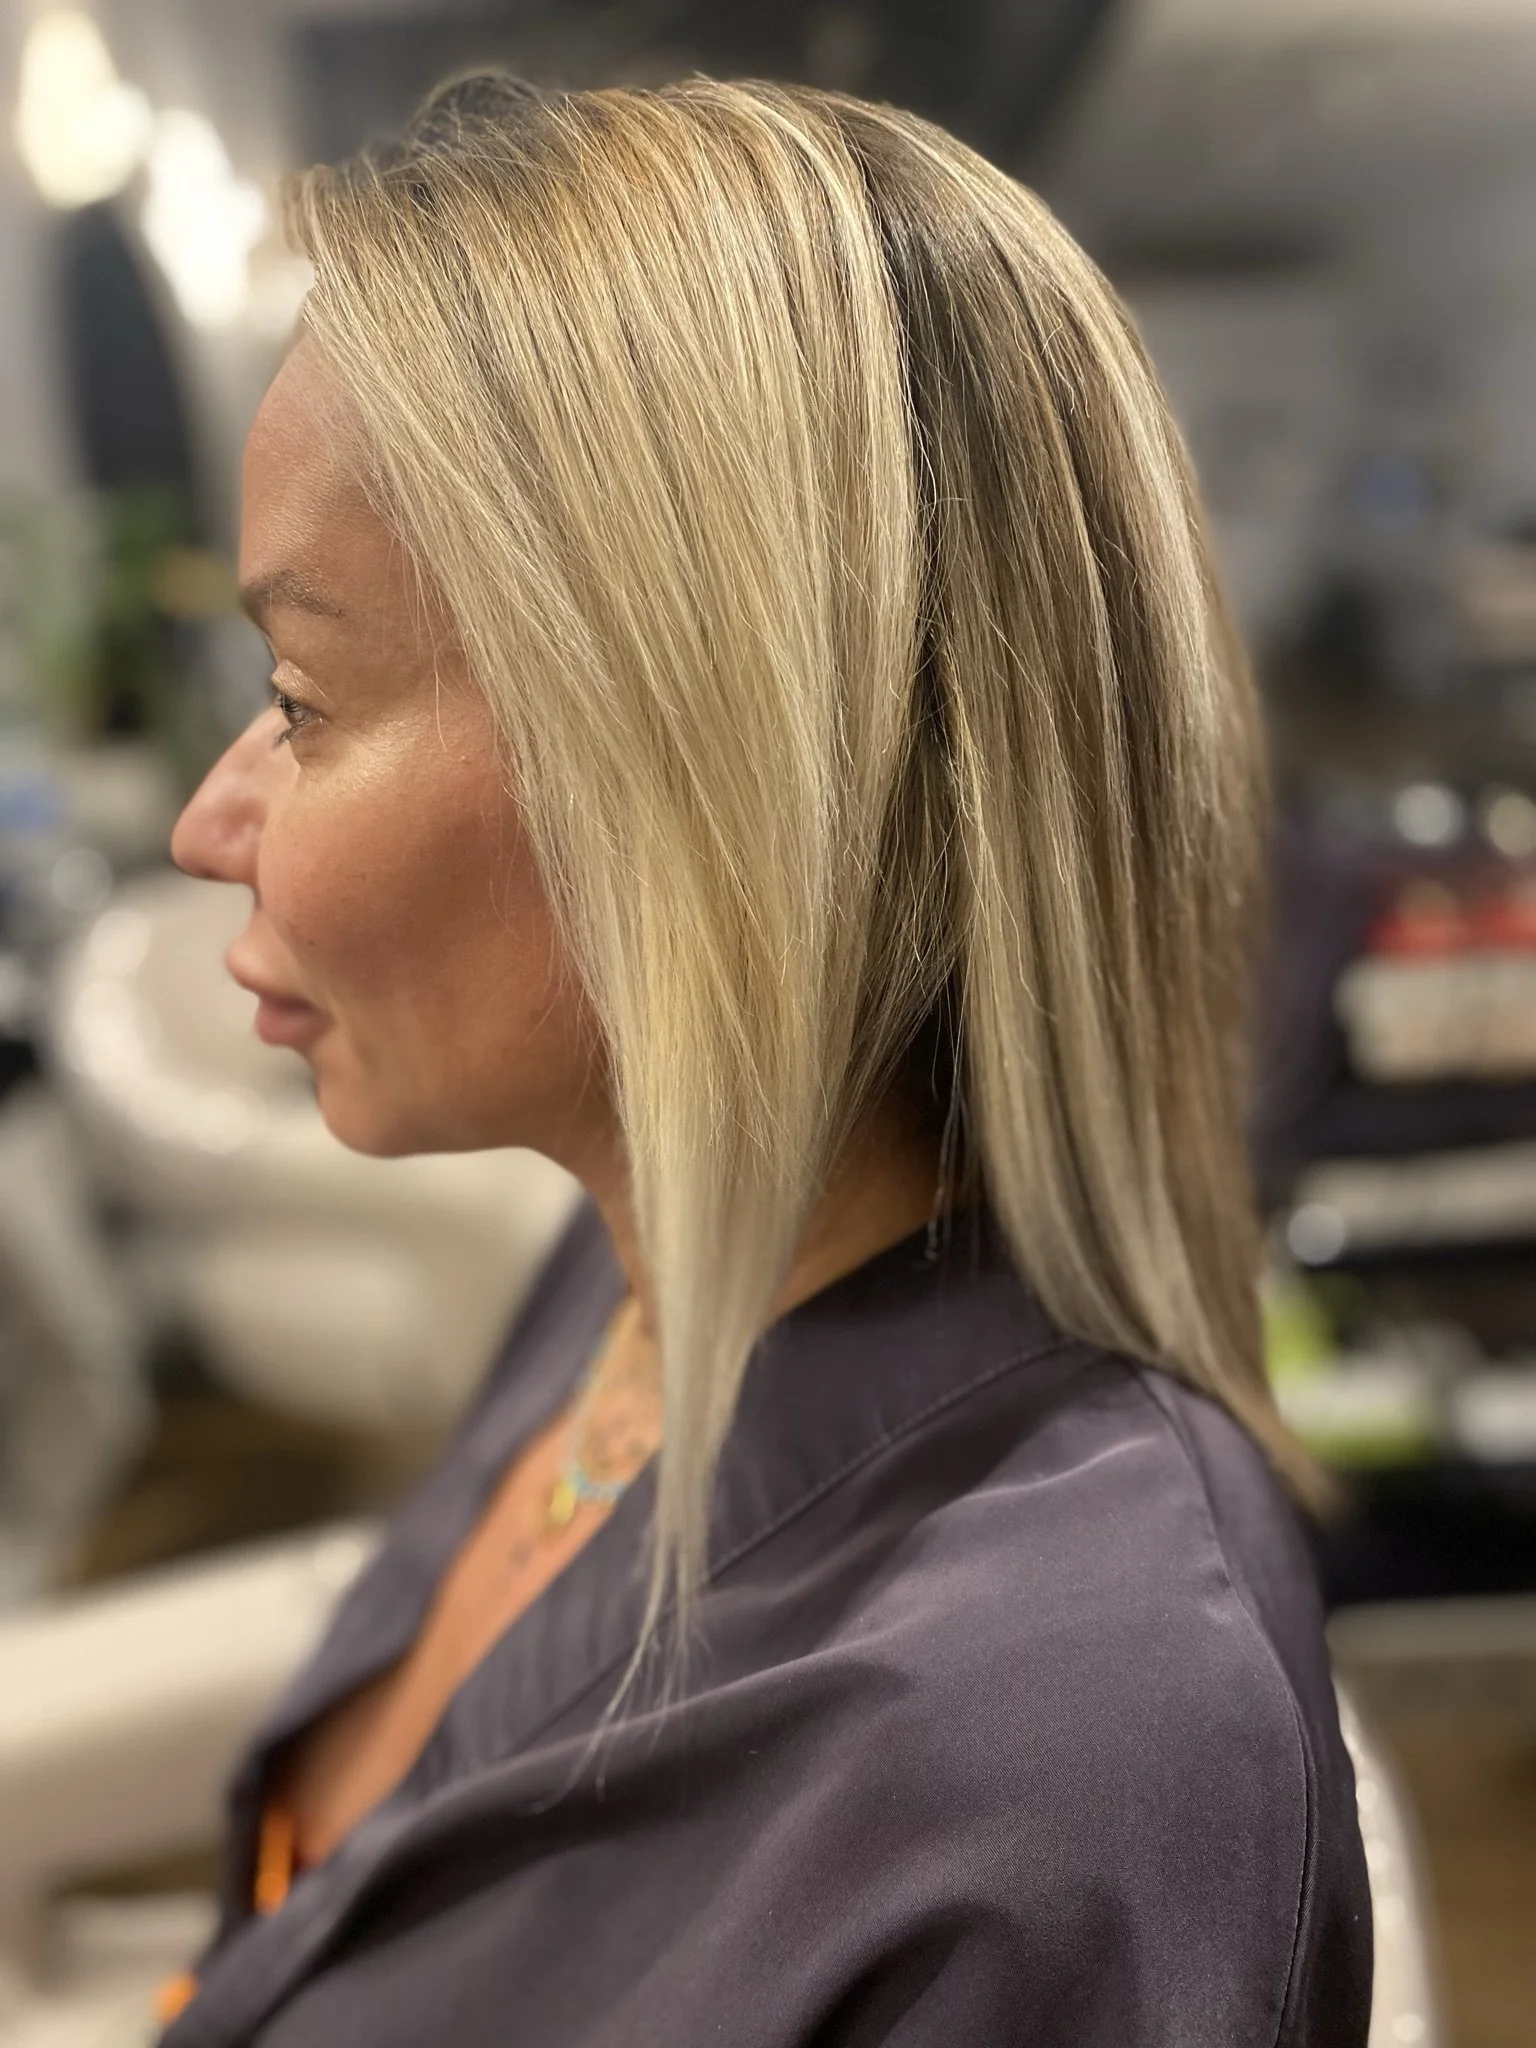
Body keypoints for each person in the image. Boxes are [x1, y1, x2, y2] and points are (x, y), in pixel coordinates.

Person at [161, 73, 1371, 2046]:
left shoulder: (1067, 1762)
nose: (213, 820)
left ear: (693, 773)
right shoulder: (632, 1275)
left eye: (299, 699)